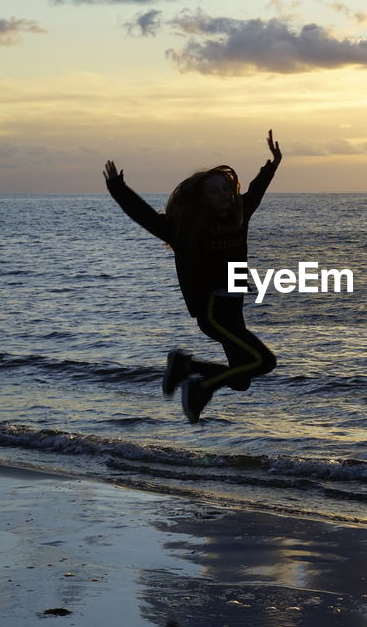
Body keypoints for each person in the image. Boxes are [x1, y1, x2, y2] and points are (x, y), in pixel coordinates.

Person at [103, 132, 282, 421]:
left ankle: (185, 367)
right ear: (202, 198)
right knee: (263, 360)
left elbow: (256, 191)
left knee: (241, 379)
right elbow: (145, 216)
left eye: (226, 188)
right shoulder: (186, 229)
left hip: (234, 308)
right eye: (215, 191)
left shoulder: (240, 214)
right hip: (213, 311)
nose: (223, 194)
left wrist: (272, 165)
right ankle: (201, 388)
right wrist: (118, 189)